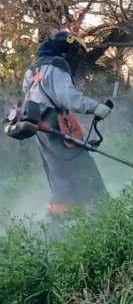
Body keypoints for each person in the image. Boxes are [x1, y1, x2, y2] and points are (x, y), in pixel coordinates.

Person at [21, 31, 112, 222]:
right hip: (57, 129)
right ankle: (106, 220)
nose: (75, 58)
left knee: (61, 180)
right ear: (65, 50)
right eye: (74, 52)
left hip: (42, 131)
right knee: (87, 174)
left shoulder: (32, 71)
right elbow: (68, 98)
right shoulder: (55, 66)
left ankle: (57, 227)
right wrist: (95, 107)